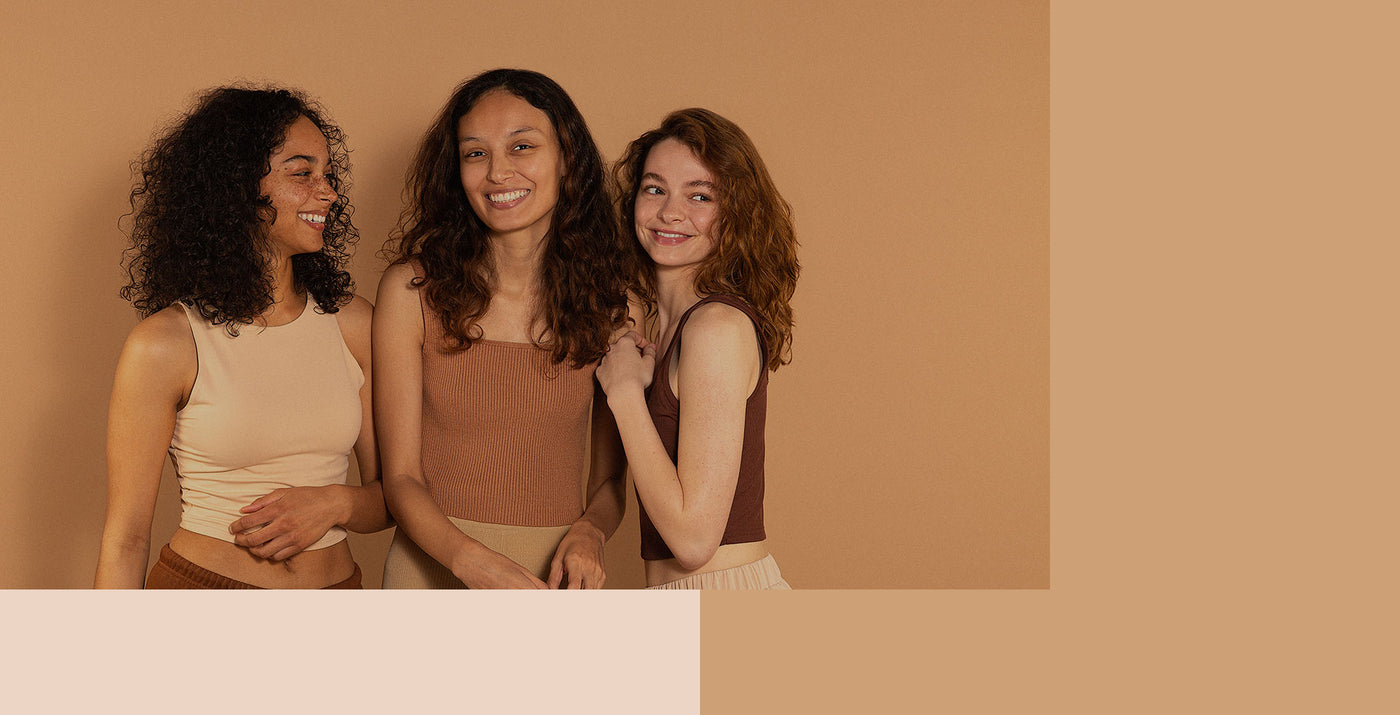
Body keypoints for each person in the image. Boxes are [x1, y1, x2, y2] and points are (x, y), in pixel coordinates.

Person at [94, 86, 388, 589]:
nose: (328, 192)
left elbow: (396, 494)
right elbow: (125, 540)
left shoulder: (354, 324)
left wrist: (338, 502)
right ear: (234, 189)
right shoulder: (166, 344)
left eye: (328, 175)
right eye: (302, 173)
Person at [375, 69, 631, 589]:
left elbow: (609, 481)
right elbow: (400, 478)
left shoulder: (613, 309)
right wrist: (471, 561)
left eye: (521, 146)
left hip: (554, 580)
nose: (497, 173)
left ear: (567, 159)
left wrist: (591, 532)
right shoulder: (411, 291)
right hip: (431, 573)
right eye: (475, 153)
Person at [597, 108, 799, 589]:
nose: (670, 212)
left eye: (700, 195)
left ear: (735, 215)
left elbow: (692, 541)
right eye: (655, 188)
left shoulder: (716, 327)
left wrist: (624, 395)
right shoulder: (657, 329)